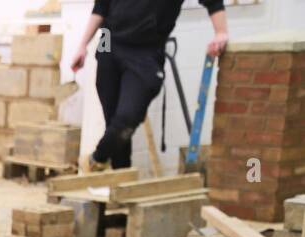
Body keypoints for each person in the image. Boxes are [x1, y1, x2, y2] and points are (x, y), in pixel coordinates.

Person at [71, 0, 229, 170]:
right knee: (114, 125)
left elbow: (213, 1)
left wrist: (221, 32)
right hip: (108, 43)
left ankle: (96, 160)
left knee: (126, 119)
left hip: (146, 52)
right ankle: (119, 183)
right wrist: (82, 45)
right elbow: (101, 7)